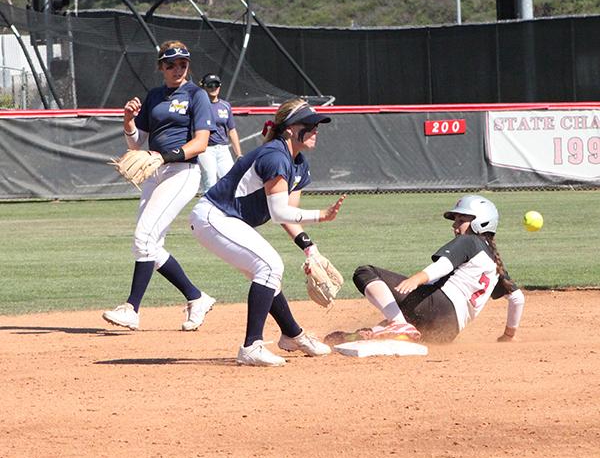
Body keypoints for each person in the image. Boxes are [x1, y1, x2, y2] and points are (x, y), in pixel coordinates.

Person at [189, 98, 346, 366]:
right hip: (214, 217)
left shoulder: (298, 164)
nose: (315, 129)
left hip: (227, 221)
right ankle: (251, 346)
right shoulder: (274, 156)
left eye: (316, 124)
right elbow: (279, 213)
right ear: (289, 129)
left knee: (266, 272)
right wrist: (322, 215)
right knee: (270, 266)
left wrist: (310, 249)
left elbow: (289, 214)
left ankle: (292, 335)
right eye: (309, 124)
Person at [102, 40, 217, 332]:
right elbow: (136, 143)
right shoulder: (153, 96)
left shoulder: (197, 95)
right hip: (155, 172)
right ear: (160, 67)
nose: (177, 68)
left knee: (144, 237)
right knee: (150, 245)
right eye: (170, 63)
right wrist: (128, 121)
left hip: (181, 172)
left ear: (188, 66)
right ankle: (196, 297)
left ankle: (131, 308)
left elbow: (200, 143)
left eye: (183, 63)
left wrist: (163, 156)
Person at [350, 195, 525, 344]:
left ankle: (397, 324)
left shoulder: (470, 241)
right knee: (397, 318)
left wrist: (417, 278)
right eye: (456, 220)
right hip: (445, 332)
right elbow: (517, 298)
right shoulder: (494, 264)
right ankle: (372, 333)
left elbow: (443, 266)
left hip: (437, 306)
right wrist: (508, 335)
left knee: (365, 272)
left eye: (462, 220)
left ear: (481, 222)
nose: (455, 226)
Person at [197, 73, 243, 193]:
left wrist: (238, 154)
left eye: (216, 85)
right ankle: (207, 211)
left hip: (223, 149)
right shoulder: (198, 105)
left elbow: (232, 130)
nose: (213, 88)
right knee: (210, 184)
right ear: (204, 87)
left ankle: (227, 211)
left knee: (230, 182)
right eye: (210, 85)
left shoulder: (225, 106)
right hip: (206, 149)